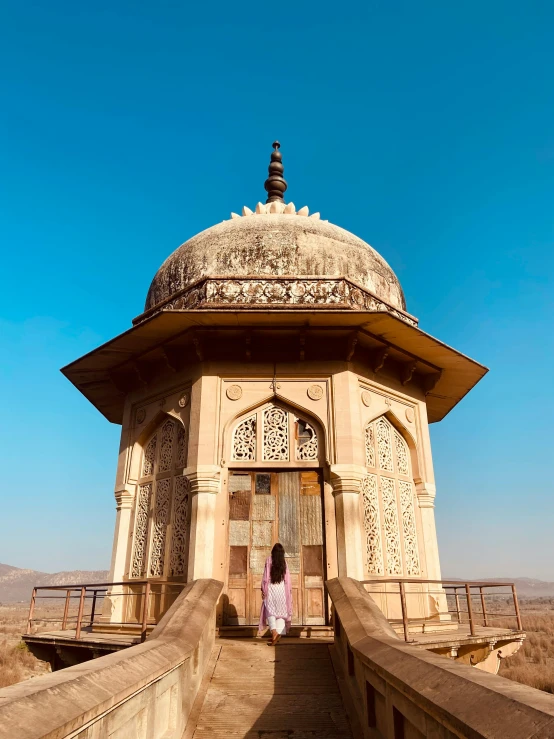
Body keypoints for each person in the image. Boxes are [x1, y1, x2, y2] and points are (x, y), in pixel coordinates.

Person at [259, 542, 292, 646]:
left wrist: (263, 590)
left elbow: (265, 577)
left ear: (273, 552)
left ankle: (274, 632)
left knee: (270, 610)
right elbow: (288, 579)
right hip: (282, 589)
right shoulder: (284, 563)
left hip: (271, 588)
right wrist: (288, 592)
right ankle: (277, 635)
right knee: (281, 611)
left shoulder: (269, 560)